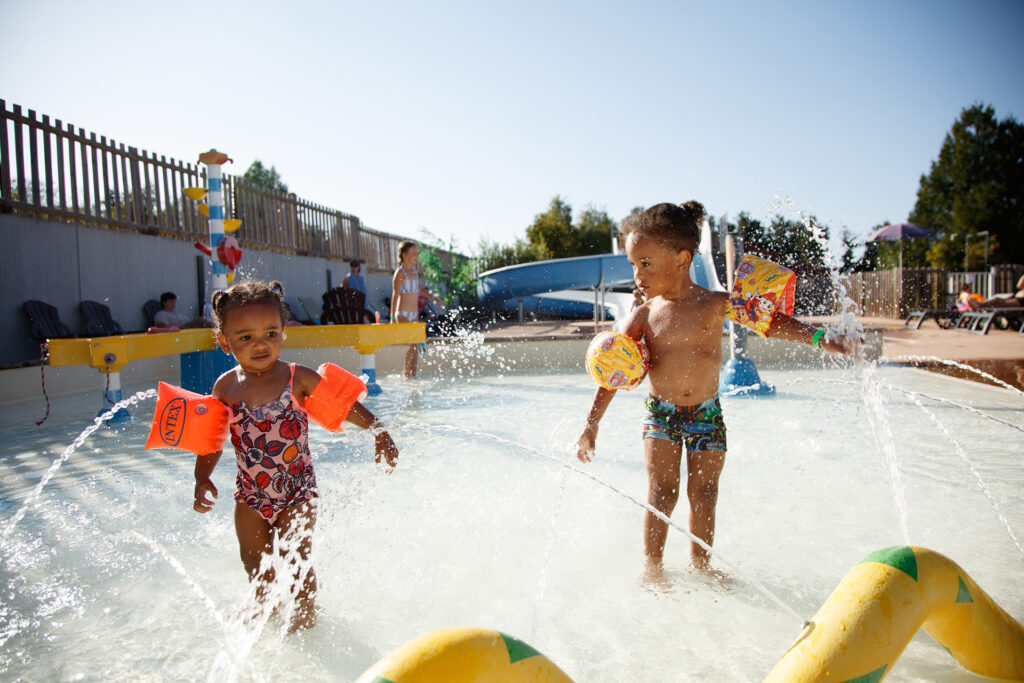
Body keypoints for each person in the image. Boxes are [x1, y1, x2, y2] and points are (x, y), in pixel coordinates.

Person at [574, 202, 848, 586]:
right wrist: (591, 425)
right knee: (662, 491)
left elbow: (769, 323)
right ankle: (653, 567)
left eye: (646, 263)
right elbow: (613, 373)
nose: (637, 274)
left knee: (704, 493)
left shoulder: (716, 304)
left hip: (707, 414)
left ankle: (702, 567)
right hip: (662, 415)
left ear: (682, 258)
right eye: (634, 265)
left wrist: (819, 338)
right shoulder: (643, 315)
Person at [193, 280, 399, 631]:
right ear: (224, 342)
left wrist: (378, 430)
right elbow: (211, 438)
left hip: (296, 491)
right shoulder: (225, 388)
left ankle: (305, 612)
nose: (260, 344)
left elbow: (343, 406)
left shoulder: (296, 379)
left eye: (270, 333)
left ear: (284, 332)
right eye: (245, 337)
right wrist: (202, 477)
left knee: (296, 556)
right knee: (253, 559)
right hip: (250, 494)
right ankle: (264, 603)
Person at [391, 240, 444, 379]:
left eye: (417, 253)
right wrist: (392, 319)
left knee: (416, 347)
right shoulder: (400, 273)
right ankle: (406, 376)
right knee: (413, 345)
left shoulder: (414, 271)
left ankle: (412, 376)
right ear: (404, 255)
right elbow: (395, 296)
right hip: (402, 314)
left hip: (414, 315)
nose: (416, 256)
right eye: (414, 253)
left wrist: (436, 299)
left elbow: (421, 290)